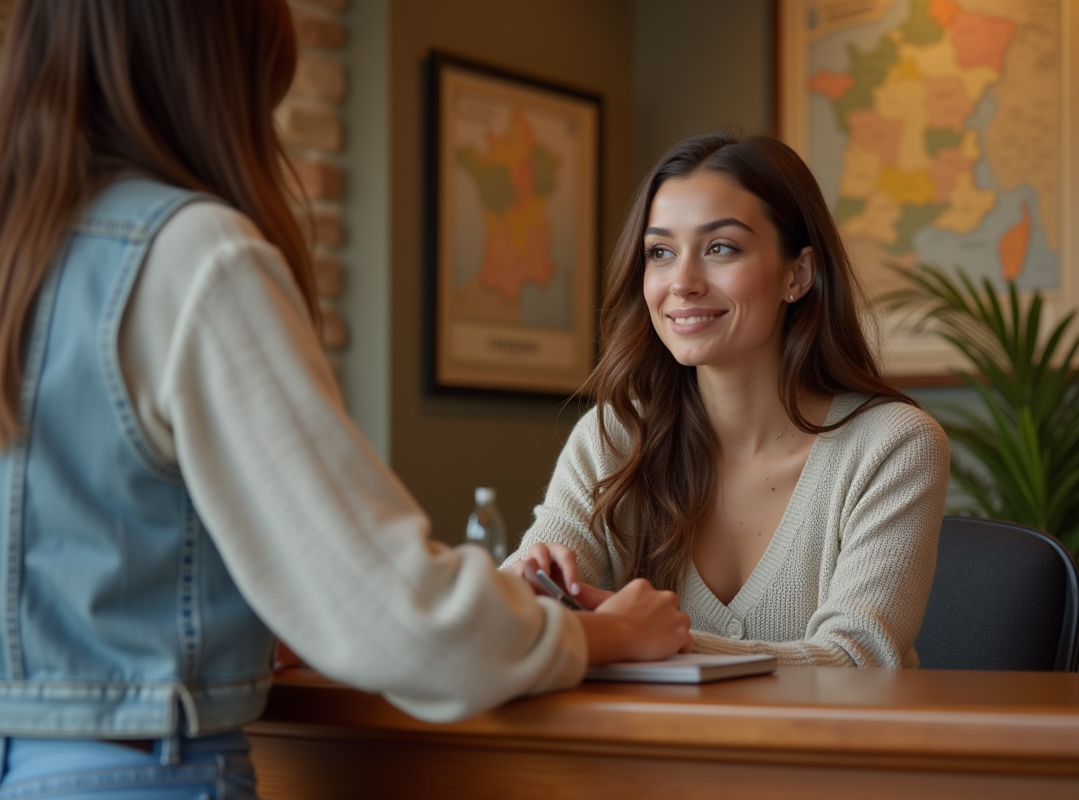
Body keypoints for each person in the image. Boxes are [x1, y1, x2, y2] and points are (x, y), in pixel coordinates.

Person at [0, 1, 691, 796]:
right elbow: (401, 621)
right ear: (219, 64)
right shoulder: (193, 258)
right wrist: (605, 636)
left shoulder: (27, 254)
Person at [505, 131, 950, 668]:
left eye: (721, 248)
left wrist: (644, 637)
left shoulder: (893, 444)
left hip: (833, 753)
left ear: (797, 274)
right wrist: (527, 589)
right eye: (661, 252)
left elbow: (856, 662)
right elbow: (514, 611)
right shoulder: (614, 435)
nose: (683, 282)